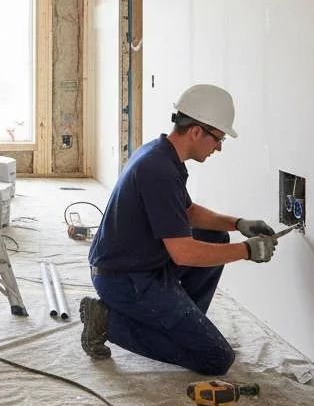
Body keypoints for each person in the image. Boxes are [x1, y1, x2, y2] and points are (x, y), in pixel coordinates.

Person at [79, 84, 278, 375]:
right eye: (218, 139)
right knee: (216, 358)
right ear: (196, 132)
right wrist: (247, 251)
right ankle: (108, 321)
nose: (219, 147)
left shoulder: (162, 155)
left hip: (139, 265)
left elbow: (188, 212)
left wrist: (237, 224)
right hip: (124, 279)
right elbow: (183, 253)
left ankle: (180, 324)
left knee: (216, 237)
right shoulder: (158, 169)